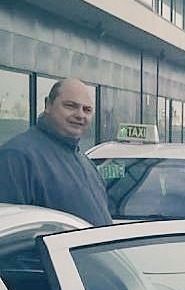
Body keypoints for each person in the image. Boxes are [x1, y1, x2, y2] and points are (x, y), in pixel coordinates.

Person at [0, 78, 112, 226]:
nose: (80, 115)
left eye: (87, 109)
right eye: (71, 106)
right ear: (48, 105)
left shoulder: (85, 162)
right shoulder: (17, 157)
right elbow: (9, 232)